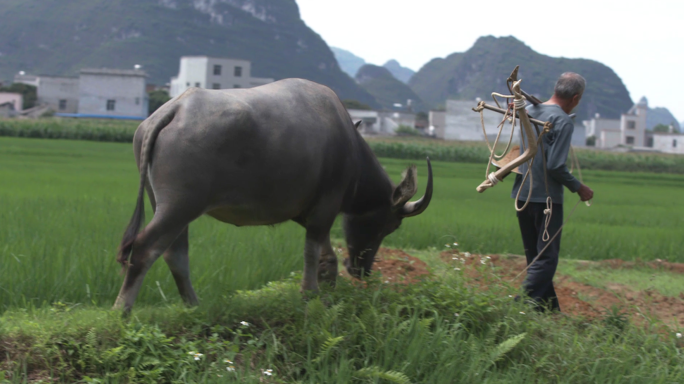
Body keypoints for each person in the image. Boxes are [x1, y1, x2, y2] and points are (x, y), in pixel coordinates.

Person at [511, 72, 594, 312]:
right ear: (576, 98)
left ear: (556, 89)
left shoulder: (530, 110)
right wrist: (579, 188)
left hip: (522, 194)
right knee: (546, 259)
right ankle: (519, 308)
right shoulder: (563, 120)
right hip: (546, 199)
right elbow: (555, 166)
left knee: (535, 257)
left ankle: (548, 312)